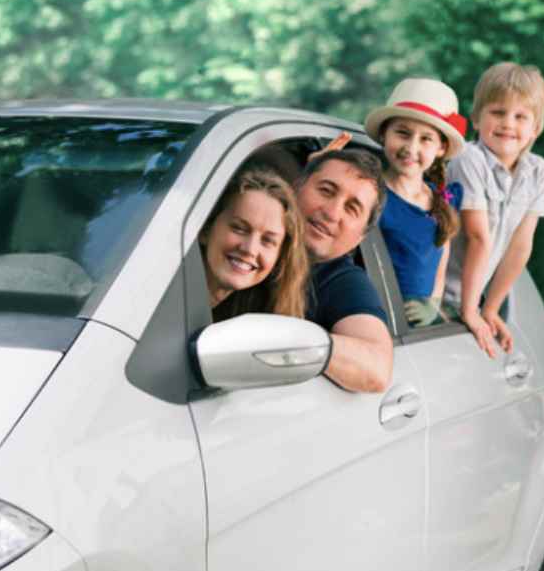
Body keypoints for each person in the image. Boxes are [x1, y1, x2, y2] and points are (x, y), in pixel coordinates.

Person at [444, 62, 544, 358]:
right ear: (477, 118)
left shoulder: (537, 171)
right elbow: (478, 237)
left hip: (471, 299)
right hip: (442, 295)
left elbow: (520, 245)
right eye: (498, 112)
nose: (508, 124)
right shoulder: (468, 158)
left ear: (535, 129)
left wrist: (489, 308)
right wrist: (470, 310)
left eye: (521, 117)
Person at [363, 77, 466, 327]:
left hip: (420, 328)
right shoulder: (370, 192)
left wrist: (434, 301)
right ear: (383, 134)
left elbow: (442, 252)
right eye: (402, 133)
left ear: (441, 148)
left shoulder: (442, 199)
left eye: (425, 139)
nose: (411, 147)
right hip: (379, 319)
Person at [295, 149, 393, 393]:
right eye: (326, 191)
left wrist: (288, 341)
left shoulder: (341, 280)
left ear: (361, 236)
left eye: (351, 208)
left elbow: (377, 369)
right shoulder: (245, 238)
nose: (331, 212)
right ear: (296, 187)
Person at [199, 167, 310, 322]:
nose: (250, 249)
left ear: (279, 257)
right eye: (239, 228)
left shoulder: (265, 320)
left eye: (268, 241)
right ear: (206, 229)